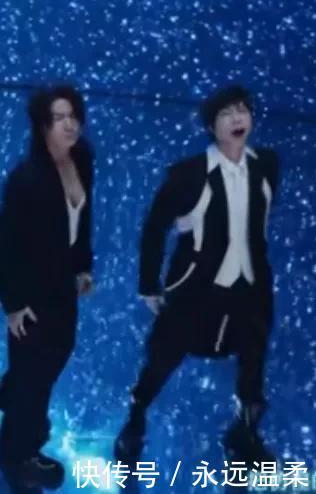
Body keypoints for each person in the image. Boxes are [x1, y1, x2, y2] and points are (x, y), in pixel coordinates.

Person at [115, 85, 279, 468]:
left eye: (242, 110)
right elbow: (155, 226)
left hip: (251, 283)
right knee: (165, 354)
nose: (237, 119)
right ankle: (135, 420)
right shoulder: (189, 174)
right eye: (227, 113)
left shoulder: (267, 165)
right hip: (197, 285)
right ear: (211, 125)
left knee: (253, 355)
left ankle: (245, 433)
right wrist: (149, 284)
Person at [0, 85, 95, 490]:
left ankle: (16, 411)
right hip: (30, 290)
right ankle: (16, 457)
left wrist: (83, 266)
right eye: (59, 118)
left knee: (54, 357)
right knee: (33, 374)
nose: (69, 124)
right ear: (42, 125)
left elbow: (84, 218)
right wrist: (13, 305)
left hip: (62, 284)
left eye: (73, 116)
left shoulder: (82, 160)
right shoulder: (26, 178)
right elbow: (5, 244)